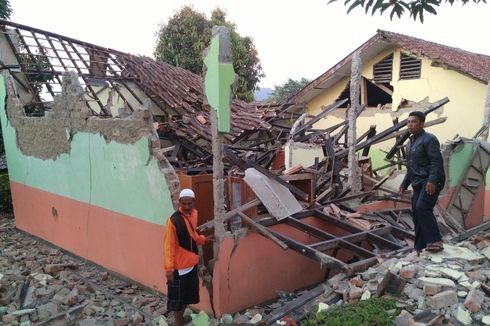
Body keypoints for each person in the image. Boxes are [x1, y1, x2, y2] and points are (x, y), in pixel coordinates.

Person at [399, 111, 445, 254]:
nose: (410, 124)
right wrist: (403, 184)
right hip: (417, 182)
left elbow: (436, 161)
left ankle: (435, 241)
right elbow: (410, 167)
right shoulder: (409, 143)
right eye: (408, 122)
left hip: (431, 181)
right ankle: (420, 246)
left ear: (422, 123)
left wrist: (432, 180)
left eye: (413, 121)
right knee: (416, 212)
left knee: (422, 208)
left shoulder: (429, 139)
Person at [163, 188, 211, 326]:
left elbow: (192, 234)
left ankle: (180, 319)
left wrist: (203, 239)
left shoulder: (194, 214)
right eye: (184, 204)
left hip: (191, 264)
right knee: (177, 300)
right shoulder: (173, 221)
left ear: (194, 202)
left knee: (188, 297)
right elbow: (168, 246)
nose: (187, 207)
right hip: (179, 268)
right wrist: (168, 269)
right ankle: (177, 323)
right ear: (180, 202)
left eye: (189, 203)